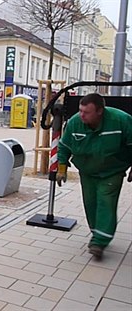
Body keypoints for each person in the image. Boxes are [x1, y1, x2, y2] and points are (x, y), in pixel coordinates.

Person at [56, 93, 132, 259]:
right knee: (90, 203)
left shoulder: (121, 120)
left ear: (100, 111)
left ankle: (99, 241)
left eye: (86, 112)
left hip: (112, 171)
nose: (81, 115)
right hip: (87, 172)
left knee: (106, 202)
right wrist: (61, 168)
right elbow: (64, 146)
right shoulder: (76, 122)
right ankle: (97, 231)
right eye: (80, 110)